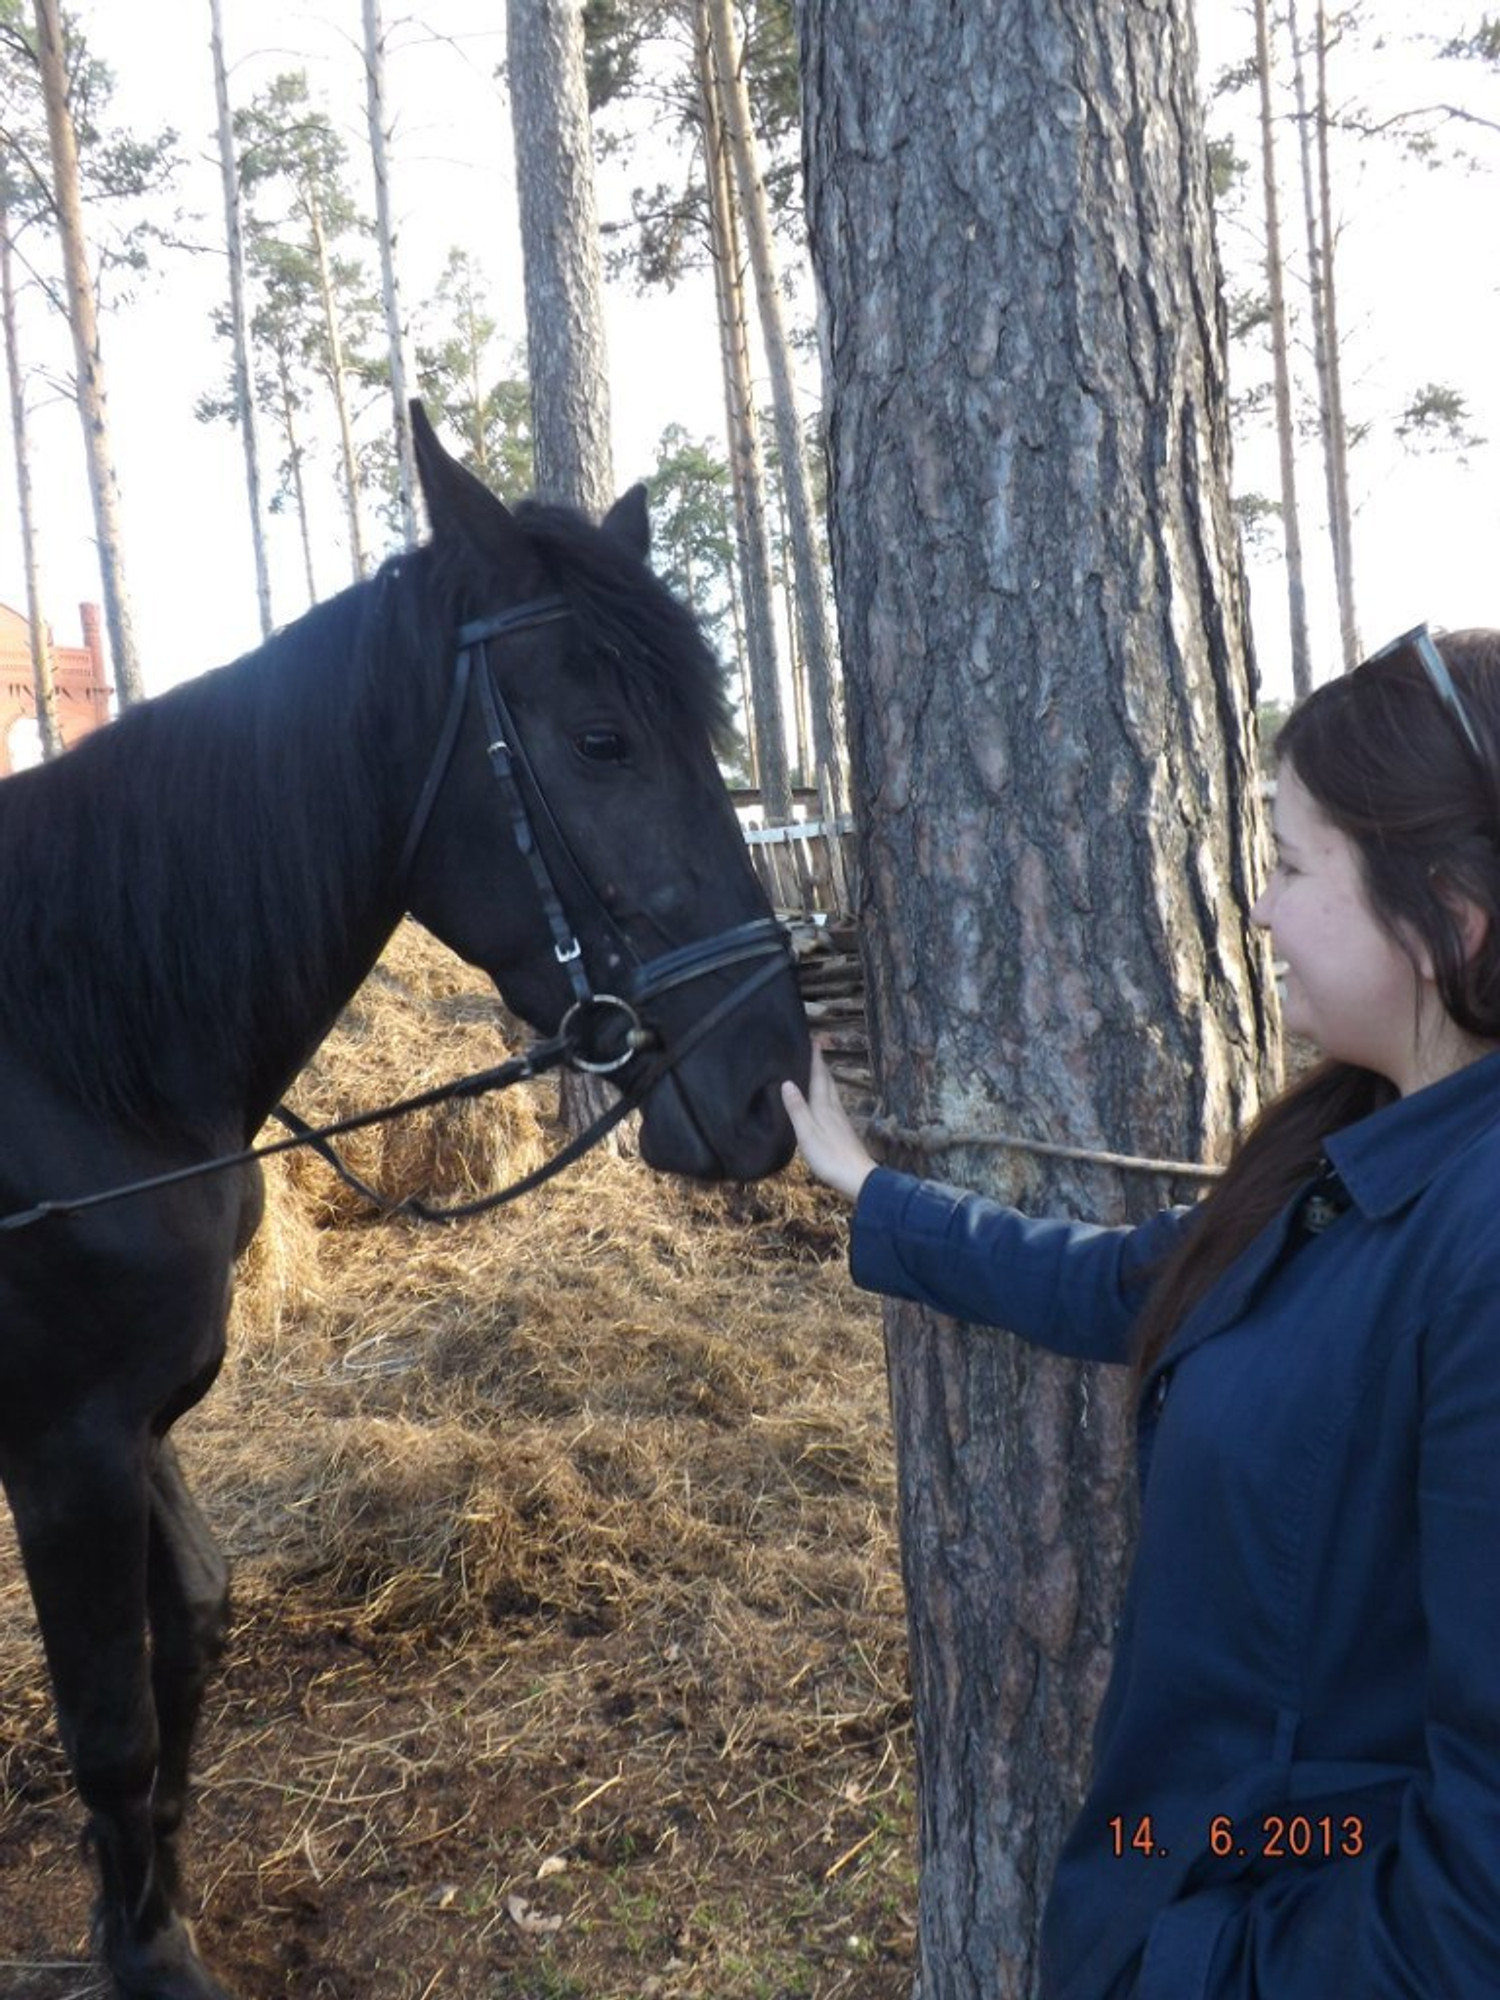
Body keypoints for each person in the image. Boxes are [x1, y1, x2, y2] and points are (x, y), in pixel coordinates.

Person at [781, 625, 1500, 2000]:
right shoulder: (1358, 1149)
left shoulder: (1480, 1241)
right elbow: (1131, 1284)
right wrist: (874, 1196)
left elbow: (1481, 1902)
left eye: (1294, 867)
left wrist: (1202, 1967)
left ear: (1449, 915)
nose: (1265, 913)